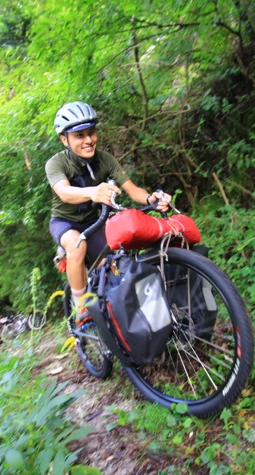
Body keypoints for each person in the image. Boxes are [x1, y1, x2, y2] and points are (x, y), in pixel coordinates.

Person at [45, 101, 171, 323]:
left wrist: (152, 198)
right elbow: (64, 192)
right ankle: (80, 308)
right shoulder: (56, 163)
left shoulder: (106, 160)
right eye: (79, 135)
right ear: (64, 139)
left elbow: (133, 190)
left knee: (115, 263)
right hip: (65, 222)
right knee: (77, 244)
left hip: (95, 221)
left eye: (91, 133)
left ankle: (117, 317)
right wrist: (93, 192)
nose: (88, 140)